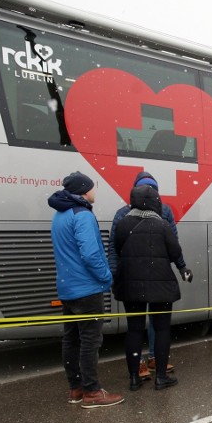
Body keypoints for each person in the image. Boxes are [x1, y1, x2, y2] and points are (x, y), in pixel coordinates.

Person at [48, 171, 123, 408]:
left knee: (71, 339)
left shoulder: (60, 215)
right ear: (84, 191)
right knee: (90, 340)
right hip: (86, 289)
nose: (94, 191)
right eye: (92, 187)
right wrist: (106, 276)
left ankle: (76, 388)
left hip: (68, 287)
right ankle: (92, 392)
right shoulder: (82, 216)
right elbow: (90, 254)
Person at [108, 172, 191, 380]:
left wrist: (115, 275)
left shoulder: (122, 218)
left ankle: (134, 378)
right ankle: (161, 377)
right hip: (160, 283)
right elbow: (175, 250)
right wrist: (182, 268)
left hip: (131, 283)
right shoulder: (163, 219)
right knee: (162, 329)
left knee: (134, 330)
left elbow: (115, 249)